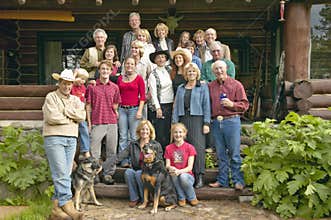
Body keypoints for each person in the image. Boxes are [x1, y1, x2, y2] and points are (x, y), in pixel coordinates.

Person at [43, 69, 85, 220]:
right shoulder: (51, 97)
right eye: (65, 83)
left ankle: (55, 209)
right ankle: (68, 203)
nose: (67, 86)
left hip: (71, 138)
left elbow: (82, 116)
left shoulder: (75, 100)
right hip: (54, 138)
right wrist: (70, 118)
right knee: (61, 173)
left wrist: (66, 112)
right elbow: (51, 117)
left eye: (70, 84)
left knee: (65, 173)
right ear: (59, 83)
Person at [208, 60, 249, 190]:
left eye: (221, 68)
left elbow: (245, 105)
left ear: (226, 69)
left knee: (234, 153)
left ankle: (238, 181)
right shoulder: (210, 86)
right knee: (220, 154)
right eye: (216, 69)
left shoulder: (236, 85)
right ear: (213, 72)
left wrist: (232, 104)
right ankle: (222, 180)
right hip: (216, 122)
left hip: (232, 121)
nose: (219, 71)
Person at [172, 62, 211, 189]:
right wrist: (174, 123)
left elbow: (206, 105)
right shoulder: (181, 88)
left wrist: (206, 123)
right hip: (183, 119)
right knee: (182, 148)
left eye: (193, 71)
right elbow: (176, 106)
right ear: (186, 74)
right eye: (189, 72)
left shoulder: (202, 87)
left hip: (197, 120)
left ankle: (199, 176)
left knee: (198, 149)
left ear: (197, 73)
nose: (191, 73)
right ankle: (186, 176)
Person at [86, 60, 121, 185]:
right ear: (99, 71)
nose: (105, 71)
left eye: (107, 69)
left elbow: (116, 103)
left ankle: (108, 174)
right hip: (97, 121)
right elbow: (88, 106)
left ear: (111, 71)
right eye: (103, 69)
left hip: (112, 122)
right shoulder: (92, 87)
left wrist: (114, 112)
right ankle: (94, 174)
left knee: (111, 151)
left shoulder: (115, 87)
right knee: (95, 151)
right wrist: (89, 123)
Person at [116, 120, 163, 207]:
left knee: (139, 174)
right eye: (142, 129)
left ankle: (145, 200)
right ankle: (134, 198)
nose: (144, 131)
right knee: (128, 172)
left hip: (150, 172)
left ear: (150, 131)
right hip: (137, 169)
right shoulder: (133, 144)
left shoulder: (156, 145)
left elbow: (160, 160)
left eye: (147, 129)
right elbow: (119, 156)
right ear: (139, 131)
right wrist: (104, 166)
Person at [117, 57, 146, 167]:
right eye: (127, 63)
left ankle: (134, 160)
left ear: (135, 66)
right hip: (122, 109)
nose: (129, 66)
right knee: (123, 136)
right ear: (124, 65)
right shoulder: (120, 78)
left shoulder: (139, 79)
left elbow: (143, 96)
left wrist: (139, 110)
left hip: (134, 109)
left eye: (132, 64)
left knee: (134, 136)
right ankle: (124, 161)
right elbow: (117, 95)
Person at [164, 123, 199, 207]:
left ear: (184, 133)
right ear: (172, 134)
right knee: (173, 174)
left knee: (182, 176)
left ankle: (192, 197)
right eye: (175, 132)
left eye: (180, 132)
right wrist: (171, 168)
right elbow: (167, 165)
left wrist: (179, 171)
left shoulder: (190, 147)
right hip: (175, 175)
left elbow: (190, 167)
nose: (178, 134)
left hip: (187, 176)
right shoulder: (168, 148)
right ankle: (181, 197)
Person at [147, 50, 173, 149]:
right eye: (158, 57)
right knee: (160, 132)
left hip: (171, 104)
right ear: (155, 60)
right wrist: (158, 108)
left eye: (163, 57)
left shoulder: (170, 70)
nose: (161, 59)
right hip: (161, 105)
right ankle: (159, 155)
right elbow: (153, 93)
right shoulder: (153, 74)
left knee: (169, 130)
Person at [71, 68, 91, 158]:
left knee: (84, 129)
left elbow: (86, 100)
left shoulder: (83, 88)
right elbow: (69, 84)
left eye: (84, 80)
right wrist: (74, 76)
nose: (82, 81)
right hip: (71, 113)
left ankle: (85, 150)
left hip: (80, 113)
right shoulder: (72, 86)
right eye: (80, 79)